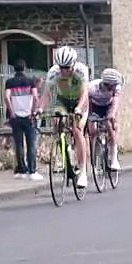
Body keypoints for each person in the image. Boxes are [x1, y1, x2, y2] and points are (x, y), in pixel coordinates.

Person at [39, 46, 91, 189]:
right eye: (61, 67)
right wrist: (39, 109)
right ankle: (63, 152)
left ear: (73, 64)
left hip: (80, 102)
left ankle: (83, 172)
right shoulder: (53, 72)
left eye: (67, 68)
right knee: (57, 120)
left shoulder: (81, 70)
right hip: (63, 101)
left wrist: (79, 108)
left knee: (77, 129)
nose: (64, 71)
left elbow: (85, 93)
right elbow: (46, 94)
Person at [4, 59, 41, 180]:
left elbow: (6, 97)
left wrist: (12, 112)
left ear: (14, 69)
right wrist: (33, 111)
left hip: (16, 117)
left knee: (18, 144)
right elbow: (35, 97)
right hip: (28, 117)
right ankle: (32, 170)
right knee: (31, 144)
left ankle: (21, 169)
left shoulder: (10, 82)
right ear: (24, 68)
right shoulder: (30, 82)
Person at [85, 68, 124, 171]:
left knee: (110, 127)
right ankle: (94, 149)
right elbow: (87, 104)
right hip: (94, 105)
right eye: (111, 86)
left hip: (108, 106)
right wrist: (89, 117)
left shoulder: (116, 88)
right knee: (91, 130)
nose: (113, 88)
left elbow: (115, 102)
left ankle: (114, 158)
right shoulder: (92, 87)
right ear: (106, 84)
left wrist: (111, 115)